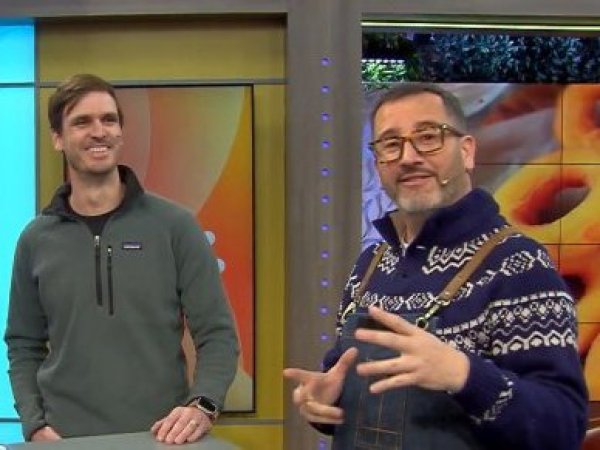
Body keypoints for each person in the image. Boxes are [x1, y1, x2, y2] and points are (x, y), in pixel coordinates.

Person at [284, 82, 588, 450]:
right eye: (391, 144)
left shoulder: (519, 265)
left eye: (428, 137)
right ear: (378, 163)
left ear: (467, 151)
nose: (408, 157)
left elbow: (563, 427)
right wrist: (327, 402)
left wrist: (464, 375)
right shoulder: (371, 265)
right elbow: (352, 385)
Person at [4, 74, 239, 445]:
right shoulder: (35, 240)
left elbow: (218, 334)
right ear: (57, 138)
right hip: (66, 440)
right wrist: (34, 425)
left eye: (109, 120)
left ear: (120, 132)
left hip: (161, 439)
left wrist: (203, 404)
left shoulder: (175, 226)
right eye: (82, 122)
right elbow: (22, 345)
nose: (99, 132)